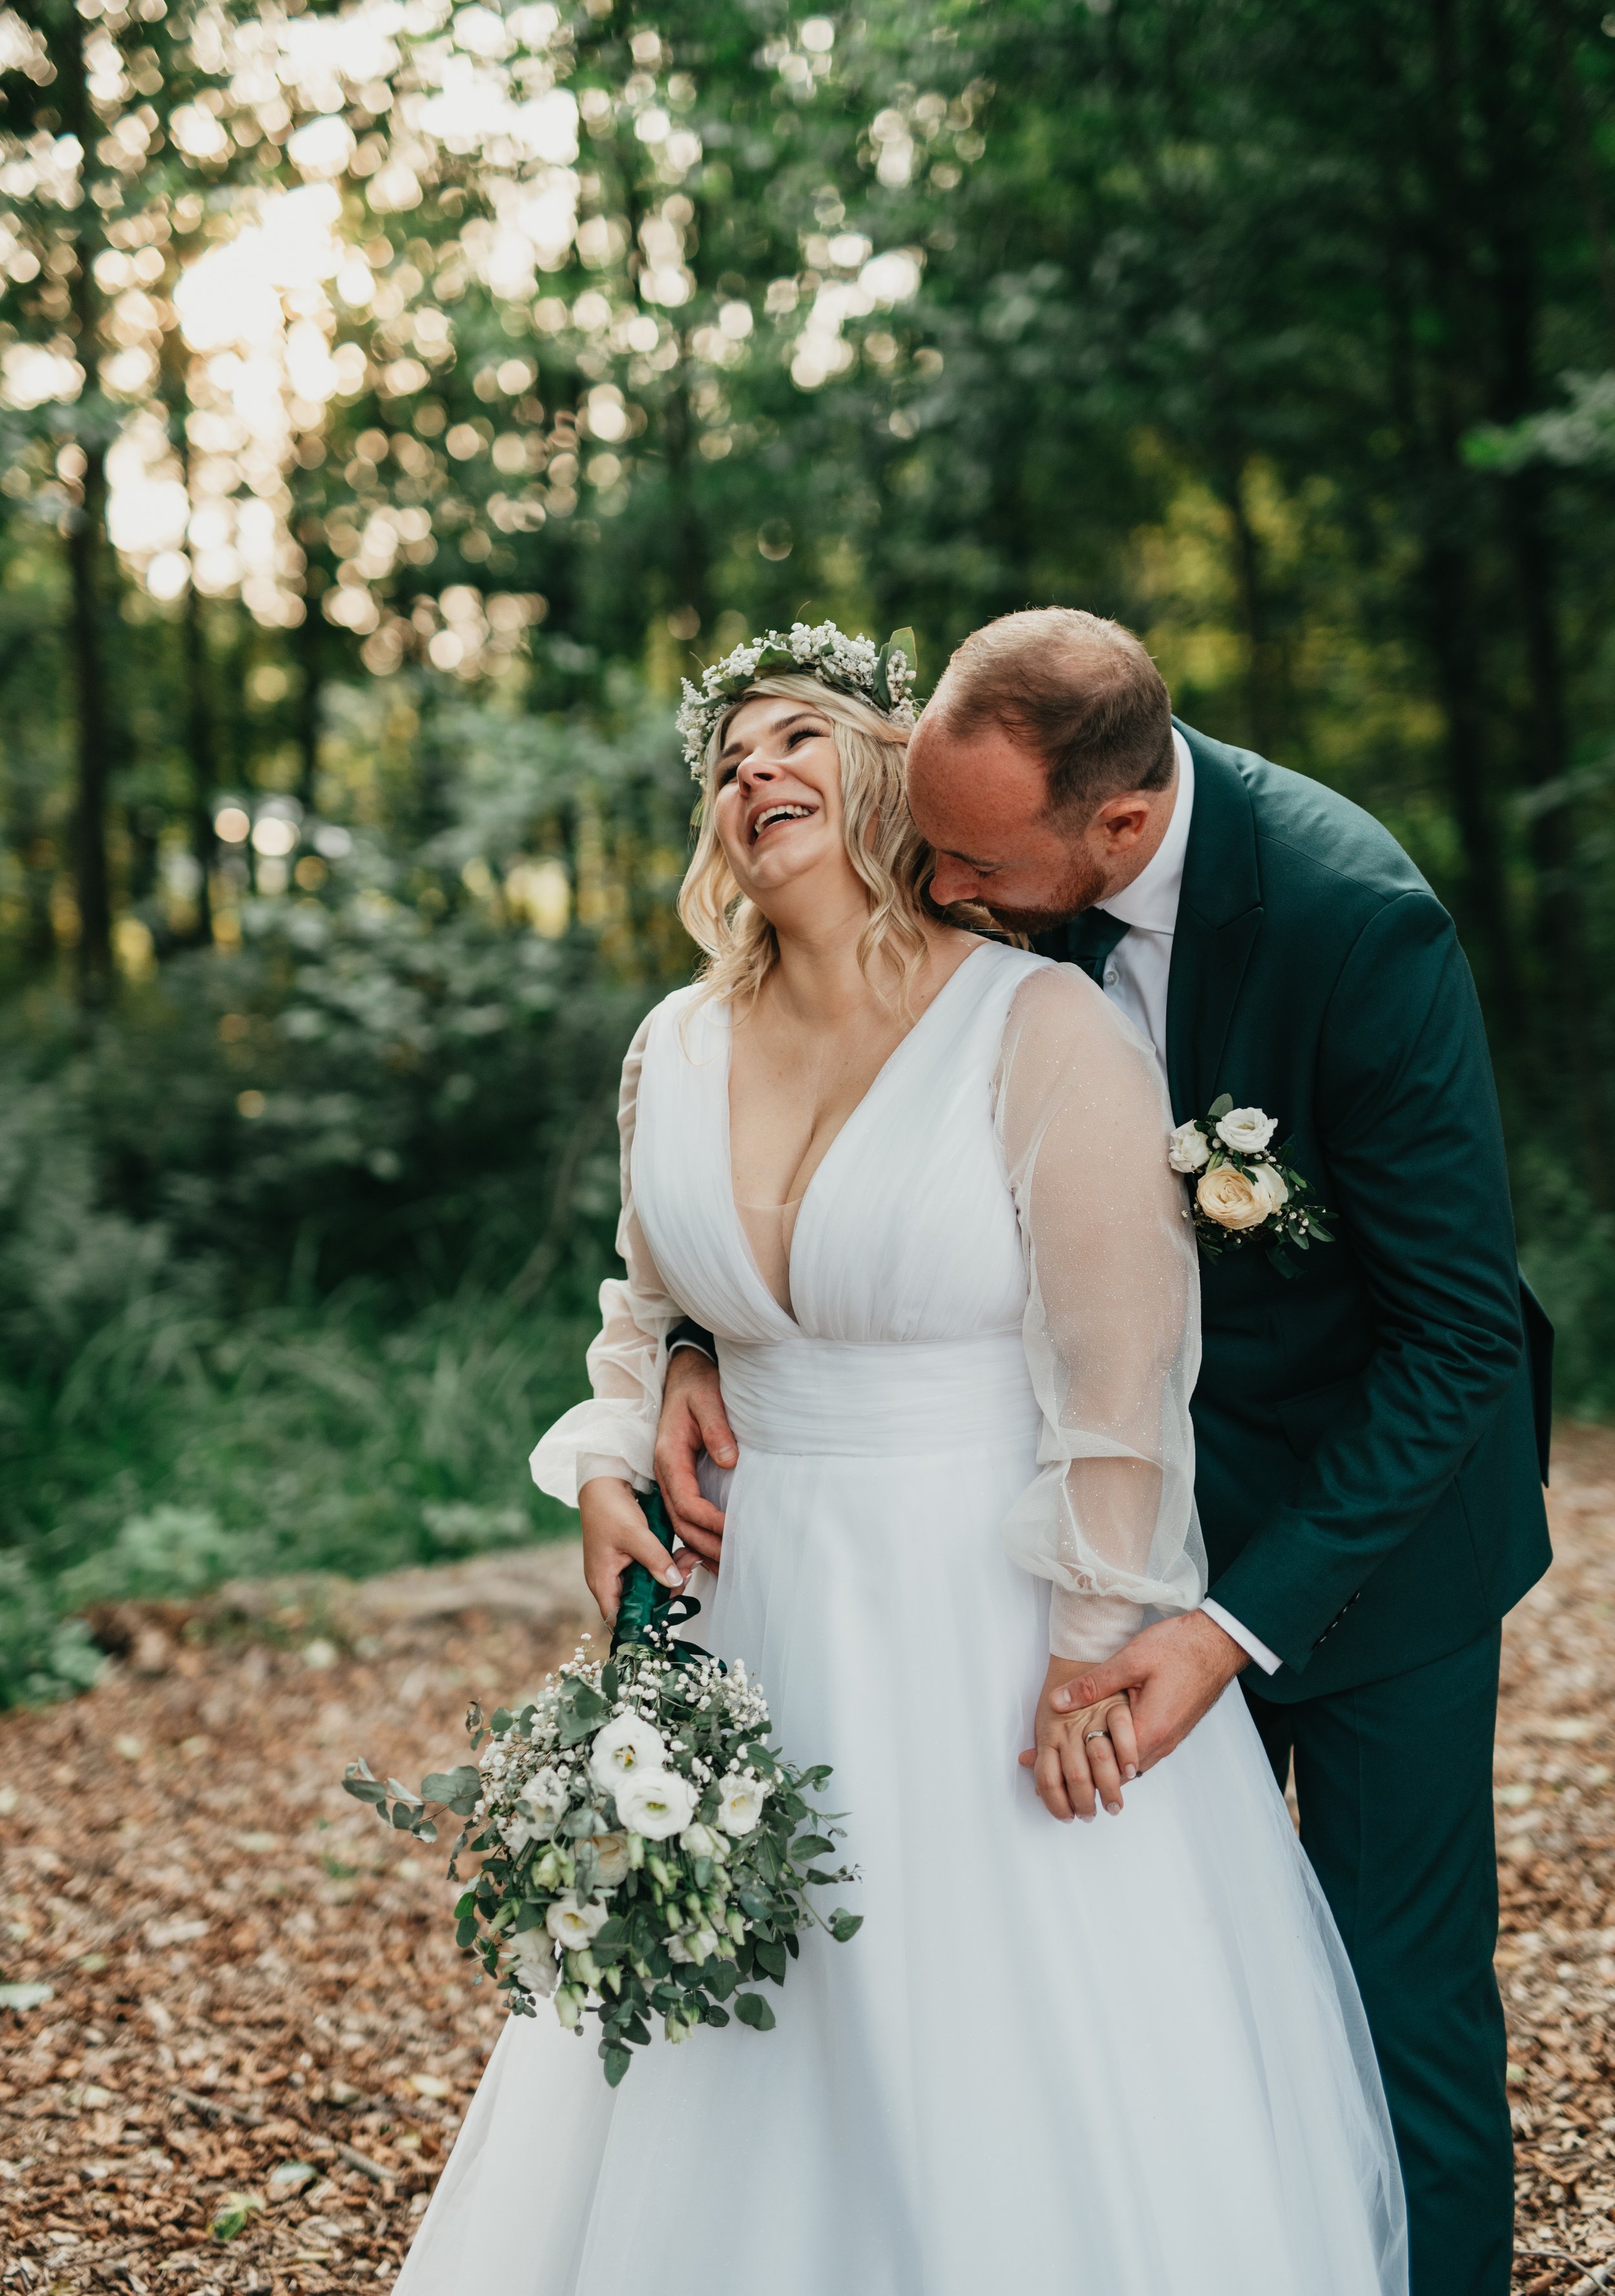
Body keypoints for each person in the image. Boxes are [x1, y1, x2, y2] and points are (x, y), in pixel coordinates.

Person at [395, 622, 1406, 2296]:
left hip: (991, 1612)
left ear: (884, 771)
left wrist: (1097, 1637)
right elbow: (641, 1316)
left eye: (791, 735)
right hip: (757, 1610)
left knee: (1005, 2046)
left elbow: (1121, 1376)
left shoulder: (1038, 1028)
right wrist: (599, 1464)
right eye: (723, 763)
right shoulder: (674, 1046)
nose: (749, 771)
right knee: (750, 2029)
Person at [657, 608, 1552, 2296]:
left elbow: (1458, 1345)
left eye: (965, 861)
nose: (926, 882)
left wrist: (1228, 1623)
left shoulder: (1354, 927)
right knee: (1152, 2008)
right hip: (1075, 1537)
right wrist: (701, 1341)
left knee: (1389, 2001)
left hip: (1361, 1540)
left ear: (1119, 830)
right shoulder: (994, 831)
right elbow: (835, 1151)